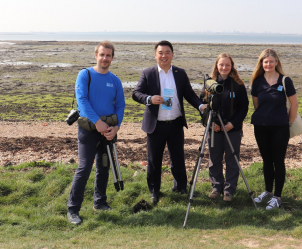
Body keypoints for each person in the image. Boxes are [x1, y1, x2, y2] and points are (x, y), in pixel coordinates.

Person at [132, 40, 207, 204]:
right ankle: (154, 191)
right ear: (155, 55)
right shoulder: (148, 73)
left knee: (178, 158)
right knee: (153, 161)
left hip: (175, 124)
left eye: (167, 52)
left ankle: (180, 188)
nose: (164, 56)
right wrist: (150, 99)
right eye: (160, 53)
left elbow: (189, 94)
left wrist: (201, 106)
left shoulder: (180, 73)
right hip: (155, 125)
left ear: (172, 55)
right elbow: (136, 93)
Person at [67, 41, 126, 224]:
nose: (105, 58)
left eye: (108, 55)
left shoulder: (115, 80)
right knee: (84, 168)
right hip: (88, 130)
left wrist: (115, 128)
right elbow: (82, 101)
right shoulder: (85, 75)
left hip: (108, 131)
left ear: (112, 58)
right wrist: (97, 122)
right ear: (96, 55)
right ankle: (73, 209)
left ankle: (99, 202)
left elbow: (121, 106)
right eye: (102, 54)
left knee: (104, 167)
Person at [250, 49, 299, 210]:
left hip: (280, 128)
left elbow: (294, 104)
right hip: (261, 127)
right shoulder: (257, 82)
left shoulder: (285, 81)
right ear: (261, 64)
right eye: (265, 62)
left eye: (271, 61)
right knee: (266, 161)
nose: (268, 64)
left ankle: (277, 197)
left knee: (278, 161)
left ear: (276, 62)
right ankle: (267, 192)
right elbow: (257, 105)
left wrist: (288, 123)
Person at [200, 53, 249, 202]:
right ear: (217, 66)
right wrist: (210, 122)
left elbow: (244, 108)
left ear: (232, 66)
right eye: (221, 65)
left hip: (232, 129)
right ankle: (216, 187)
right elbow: (202, 106)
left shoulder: (238, 85)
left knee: (232, 159)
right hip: (213, 129)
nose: (224, 67)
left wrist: (232, 124)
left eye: (227, 65)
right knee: (214, 159)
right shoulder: (209, 84)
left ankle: (229, 190)